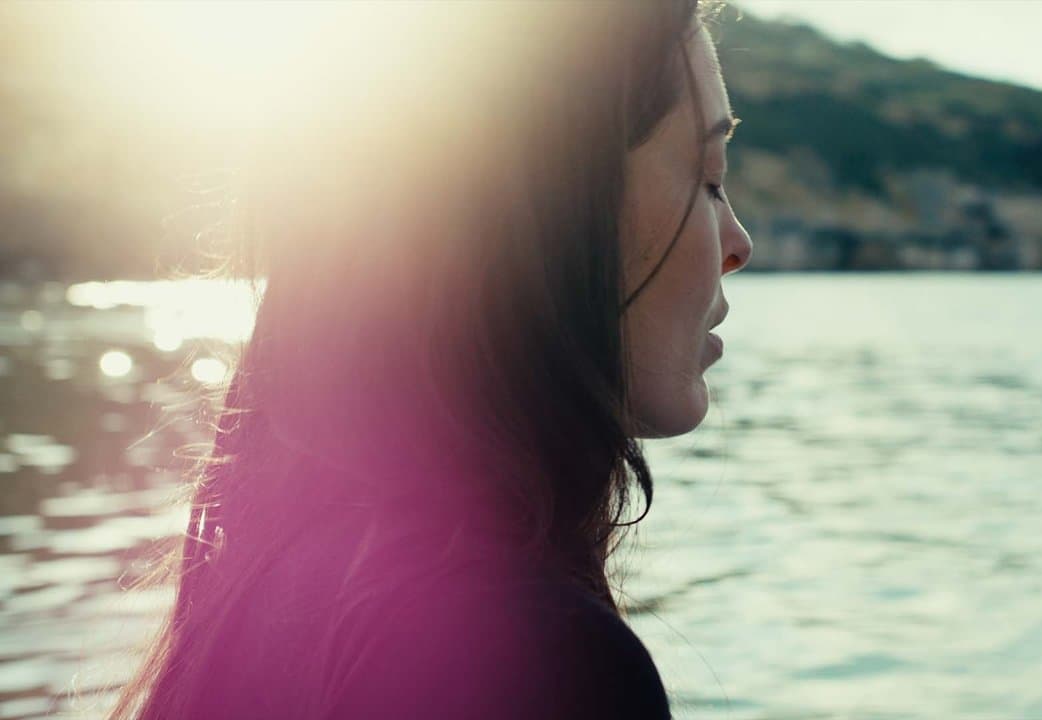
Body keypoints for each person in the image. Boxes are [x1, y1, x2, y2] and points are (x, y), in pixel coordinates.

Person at [109, 1, 751, 718]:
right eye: (709, 178)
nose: (739, 244)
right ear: (557, 209)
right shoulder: (541, 662)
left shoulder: (267, 584)